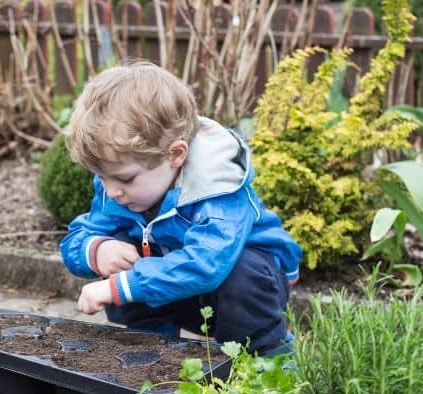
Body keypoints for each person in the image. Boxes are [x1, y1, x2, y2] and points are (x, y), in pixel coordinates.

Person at [59, 61, 301, 356]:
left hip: (246, 295)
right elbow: (78, 235)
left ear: (174, 154)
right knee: (124, 254)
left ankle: (267, 358)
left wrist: (119, 287)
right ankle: (152, 349)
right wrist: (97, 250)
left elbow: (207, 264)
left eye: (124, 178)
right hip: (179, 290)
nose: (111, 191)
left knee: (241, 272)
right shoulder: (121, 189)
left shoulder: (218, 187)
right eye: (102, 177)